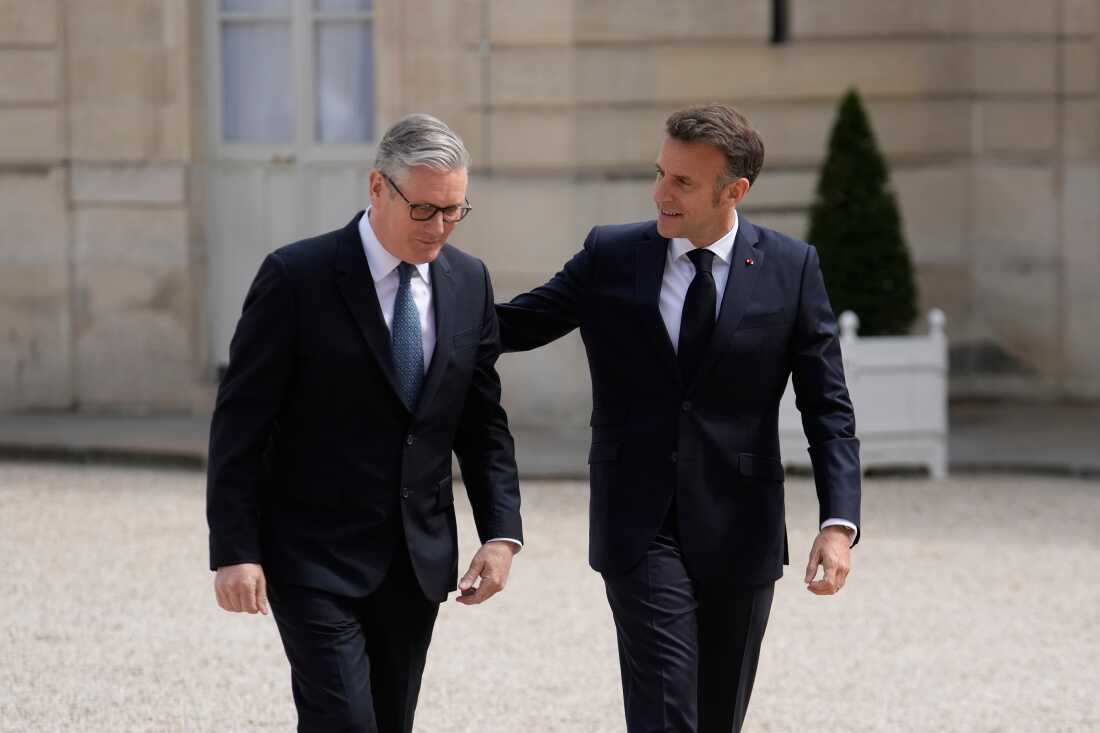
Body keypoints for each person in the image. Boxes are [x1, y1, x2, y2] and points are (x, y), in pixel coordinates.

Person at [496, 104, 860, 733]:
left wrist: (838, 522)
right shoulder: (611, 254)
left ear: (734, 191)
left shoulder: (791, 268)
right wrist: (421, 303)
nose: (659, 192)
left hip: (741, 524)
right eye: (661, 173)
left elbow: (827, 405)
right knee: (665, 707)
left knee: (717, 716)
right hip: (638, 522)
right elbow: (519, 323)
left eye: (682, 182)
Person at [206, 113, 523, 733]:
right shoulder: (296, 277)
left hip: (416, 558)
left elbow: (483, 422)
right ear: (378, 188)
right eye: (424, 209)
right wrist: (235, 550)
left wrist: (501, 533)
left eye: (454, 210)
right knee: (343, 721)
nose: (439, 228)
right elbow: (240, 423)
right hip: (312, 556)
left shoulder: (469, 281)